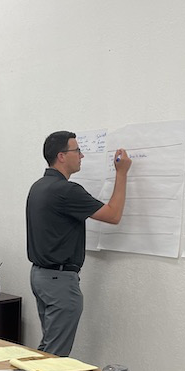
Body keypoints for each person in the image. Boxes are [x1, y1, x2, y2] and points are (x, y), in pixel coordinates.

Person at [26, 131, 132, 356]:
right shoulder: (66, 190)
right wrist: (121, 173)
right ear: (62, 156)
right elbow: (113, 215)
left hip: (40, 276)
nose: (82, 156)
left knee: (49, 348)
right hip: (59, 281)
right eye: (77, 151)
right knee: (56, 356)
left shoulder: (38, 186)